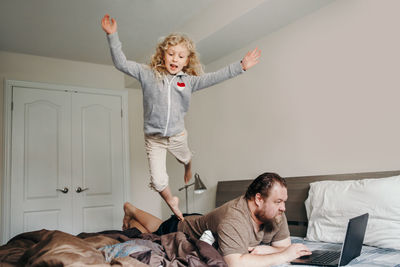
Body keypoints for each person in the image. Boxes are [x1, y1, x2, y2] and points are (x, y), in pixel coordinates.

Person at [101, 14, 261, 221]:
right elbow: (121, 63)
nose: (175, 59)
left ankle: (188, 165)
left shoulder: (189, 81)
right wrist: (112, 36)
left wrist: (240, 66)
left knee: (184, 157)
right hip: (154, 138)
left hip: (177, 135)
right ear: (163, 55)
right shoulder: (147, 74)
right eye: (171, 54)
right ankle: (172, 203)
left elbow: (214, 77)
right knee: (158, 182)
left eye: (180, 56)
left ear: (187, 60)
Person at [122, 172, 312, 266]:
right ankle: (132, 210)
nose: (283, 207)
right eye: (278, 201)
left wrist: (264, 249)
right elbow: (235, 263)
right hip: (183, 227)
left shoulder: (277, 213)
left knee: (151, 227)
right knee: (154, 228)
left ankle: (132, 215)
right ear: (259, 199)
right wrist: (282, 255)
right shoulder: (234, 218)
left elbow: (284, 245)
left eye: (284, 201)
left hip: (203, 220)